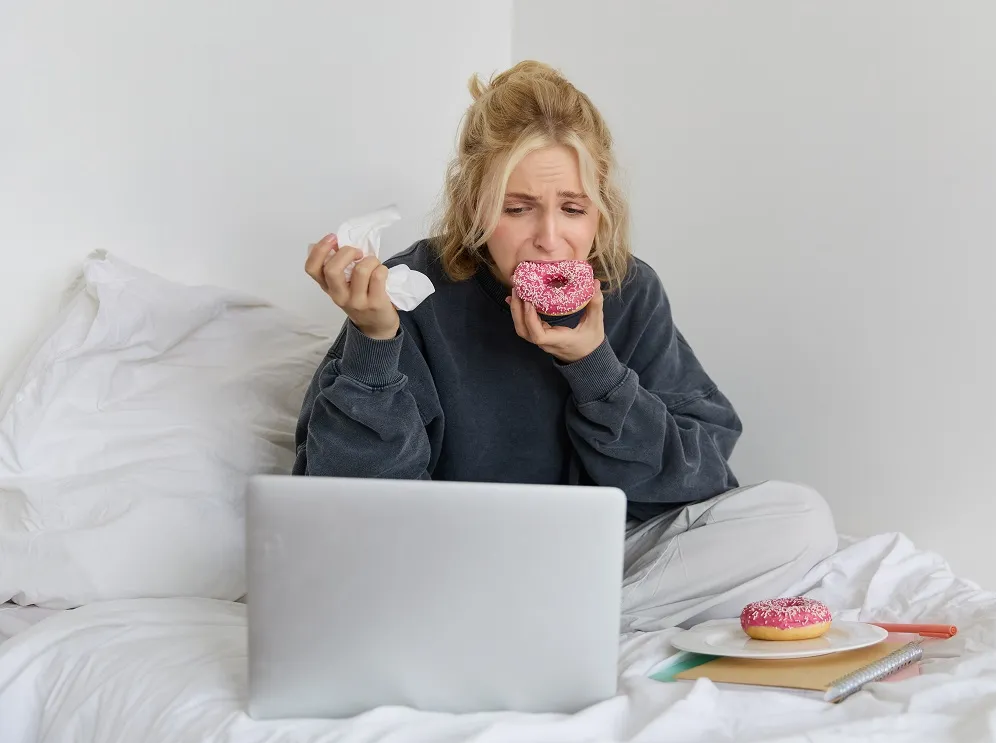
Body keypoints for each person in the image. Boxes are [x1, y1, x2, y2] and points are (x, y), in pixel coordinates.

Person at [295, 61, 837, 632]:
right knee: (364, 571)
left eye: (572, 210)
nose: (549, 239)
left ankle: (547, 625)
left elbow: (698, 482)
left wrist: (594, 368)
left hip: (600, 563)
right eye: (518, 207)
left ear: (600, 214)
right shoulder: (409, 290)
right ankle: (547, 623)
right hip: (458, 562)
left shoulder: (628, 289)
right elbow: (349, 505)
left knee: (800, 518)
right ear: (473, 205)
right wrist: (376, 339)